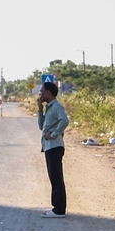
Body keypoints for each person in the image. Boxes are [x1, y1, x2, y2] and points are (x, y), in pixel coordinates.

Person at [37, 81, 68, 218]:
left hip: (55, 146)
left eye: (41, 92)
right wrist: (40, 110)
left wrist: (54, 134)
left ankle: (59, 210)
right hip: (49, 147)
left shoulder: (56, 106)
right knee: (54, 177)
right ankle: (57, 208)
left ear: (48, 93)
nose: (40, 94)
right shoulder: (49, 108)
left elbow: (65, 120)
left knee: (56, 178)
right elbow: (42, 126)